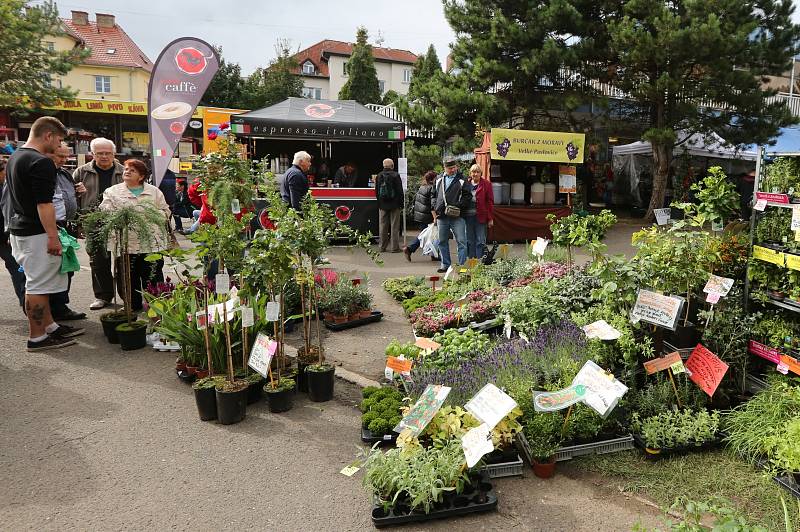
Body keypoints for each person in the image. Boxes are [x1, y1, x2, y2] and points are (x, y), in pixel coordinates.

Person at [5, 116, 83, 351]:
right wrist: (53, 236)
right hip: (36, 233)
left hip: (21, 229)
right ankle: (37, 337)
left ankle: (50, 327)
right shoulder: (41, 162)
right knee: (38, 286)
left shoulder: (16, 156)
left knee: (40, 283)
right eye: (59, 141)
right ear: (48, 135)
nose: (59, 146)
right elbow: (44, 204)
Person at [98, 159, 171, 312]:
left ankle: (156, 306)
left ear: (141, 176)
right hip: (125, 244)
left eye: (133, 170)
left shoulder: (154, 191)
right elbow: (105, 211)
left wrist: (145, 214)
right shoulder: (112, 191)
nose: (127, 171)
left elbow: (165, 211)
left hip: (151, 243)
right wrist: (133, 214)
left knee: (152, 275)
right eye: (126, 169)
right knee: (127, 278)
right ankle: (132, 306)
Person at [73, 138, 124, 310]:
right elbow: (72, 198)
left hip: (119, 222)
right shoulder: (81, 172)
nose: (104, 156)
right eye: (99, 153)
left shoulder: (123, 172)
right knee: (98, 261)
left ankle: (127, 297)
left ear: (114, 154)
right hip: (92, 221)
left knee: (123, 260)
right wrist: (79, 223)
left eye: (107, 153)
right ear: (92, 154)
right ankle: (103, 296)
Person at [48, 143, 85, 320]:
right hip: (47, 227)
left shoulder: (63, 173)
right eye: (59, 156)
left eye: (66, 157)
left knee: (66, 268)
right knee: (49, 271)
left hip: (65, 226)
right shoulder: (39, 172)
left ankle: (61, 307)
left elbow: (64, 199)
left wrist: (77, 194)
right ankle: (48, 311)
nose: (63, 160)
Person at [431, 159, 470, 273]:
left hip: (457, 216)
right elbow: (433, 194)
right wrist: (435, 206)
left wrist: (457, 206)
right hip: (442, 216)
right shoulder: (438, 179)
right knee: (442, 241)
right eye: (450, 168)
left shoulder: (462, 179)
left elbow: (467, 197)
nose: (453, 170)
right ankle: (445, 265)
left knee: (461, 242)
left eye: (454, 167)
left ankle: (462, 267)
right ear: (445, 168)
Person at [0, 158, 26, 308]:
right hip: (5, 236)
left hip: (5, 235)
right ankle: (26, 304)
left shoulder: (7, 185)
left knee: (16, 268)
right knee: (17, 269)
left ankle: (25, 303)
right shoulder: (8, 186)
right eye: (5, 171)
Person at [403, 171, 437, 261]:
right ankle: (409, 249)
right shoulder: (432, 188)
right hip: (427, 216)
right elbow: (432, 204)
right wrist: (434, 217)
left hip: (420, 215)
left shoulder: (422, 187)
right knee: (427, 236)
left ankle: (434, 254)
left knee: (427, 235)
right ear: (433, 179)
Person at [464, 164, 494, 259]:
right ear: (470, 173)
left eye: (477, 172)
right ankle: (471, 261)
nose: (475, 174)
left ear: (481, 173)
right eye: (473, 172)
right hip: (467, 217)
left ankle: (479, 262)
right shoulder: (466, 184)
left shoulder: (486, 184)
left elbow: (490, 202)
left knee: (480, 240)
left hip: (481, 217)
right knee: (469, 240)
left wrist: (490, 218)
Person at [375, 158, 404, 253]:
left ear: (383, 166)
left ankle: (382, 247)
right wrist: (401, 204)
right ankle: (394, 248)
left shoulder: (379, 175)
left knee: (383, 226)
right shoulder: (396, 175)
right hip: (394, 205)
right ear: (392, 166)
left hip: (383, 205)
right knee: (394, 226)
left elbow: (377, 191)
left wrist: (379, 203)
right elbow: (400, 191)